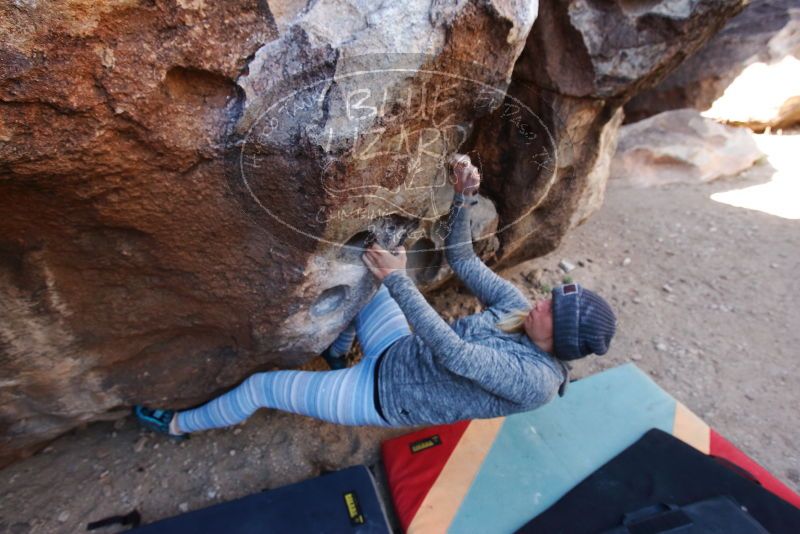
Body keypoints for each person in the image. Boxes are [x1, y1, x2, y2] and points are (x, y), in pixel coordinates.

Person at [134, 154, 617, 437]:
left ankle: (177, 425)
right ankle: (338, 352)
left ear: (563, 341)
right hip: (397, 353)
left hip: (381, 396)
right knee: (364, 275)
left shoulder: (533, 382)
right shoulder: (520, 311)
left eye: (554, 310)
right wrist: (464, 197)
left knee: (262, 388)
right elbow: (466, 261)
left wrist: (398, 279)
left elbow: (453, 354)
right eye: (553, 295)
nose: (542, 301)